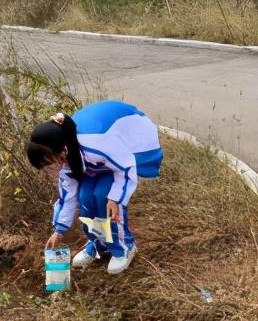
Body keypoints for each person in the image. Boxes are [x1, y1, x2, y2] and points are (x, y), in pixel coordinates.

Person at [26, 100, 163, 276]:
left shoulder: (95, 144)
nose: (51, 170)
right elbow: (67, 197)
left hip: (127, 150)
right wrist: (58, 231)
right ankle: (99, 243)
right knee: (85, 197)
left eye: (50, 164)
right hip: (99, 163)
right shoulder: (66, 160)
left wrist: (115, 198)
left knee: (103, 196)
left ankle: (124, 248)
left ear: (62, 151)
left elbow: (126, 166)